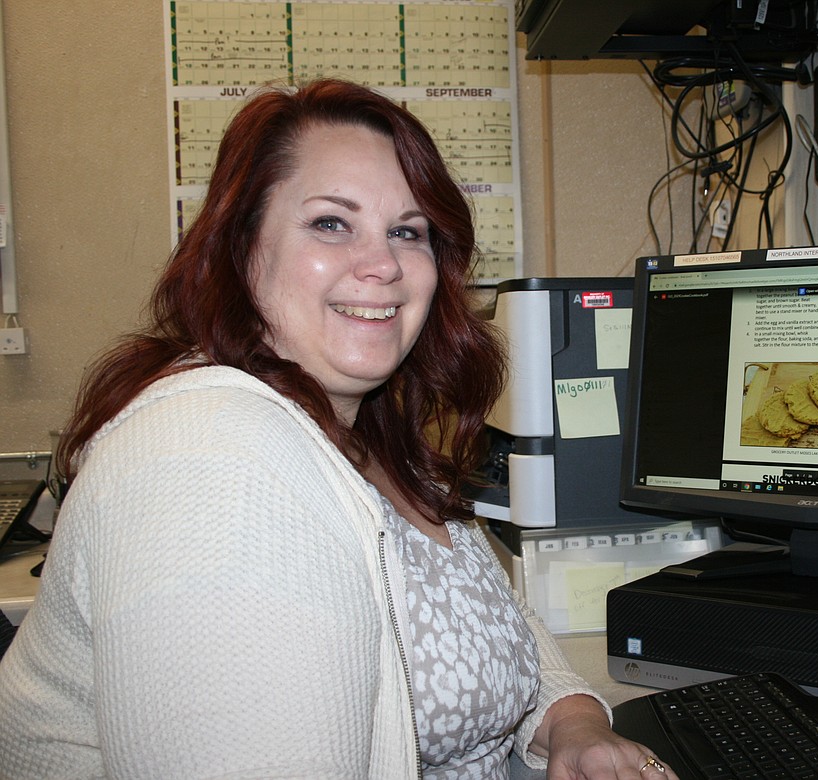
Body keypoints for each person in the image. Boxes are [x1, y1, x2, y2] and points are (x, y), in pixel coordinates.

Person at [0, 78, 676, 780]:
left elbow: (495, 621)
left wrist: (574, 723)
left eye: (407, 232)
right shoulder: (213, 463)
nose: (382, 264)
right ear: (241, 246)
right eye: (331, 223)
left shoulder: (374, 436)